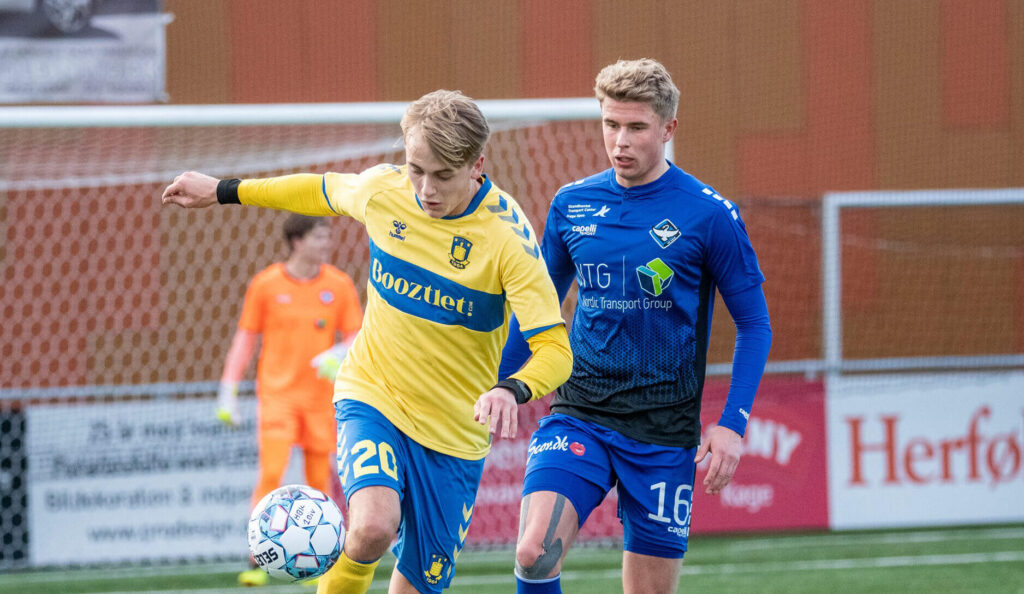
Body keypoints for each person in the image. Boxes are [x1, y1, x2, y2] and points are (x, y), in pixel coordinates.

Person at [162, 89, 573, 594]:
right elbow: (318, 190)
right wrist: (225, 190)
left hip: (454, 434)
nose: (426, 190)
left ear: (477, 166)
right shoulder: (385, 190)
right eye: (416, 169)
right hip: (373, 393)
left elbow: (556, 350)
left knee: (419, 584)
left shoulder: (507, 239)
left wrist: (512, 388)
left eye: (443, 175)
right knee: (373, 526)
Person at [499, 58, 773, 593]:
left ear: (668, 129)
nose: (620, 141)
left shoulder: (709, 214)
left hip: (663, 432)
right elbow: (537, 308)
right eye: (610, 124)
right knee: (534, 553)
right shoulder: (572, 204)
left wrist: (732, 424)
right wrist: (504, 385)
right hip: (581, 412)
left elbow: (755, 325)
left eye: (636, 127)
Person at [215, 214, 363, 587]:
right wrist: (228, 390)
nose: (326, 243)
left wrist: (338, 353)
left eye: (327, 236)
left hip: (320, 399)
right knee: (271, 473)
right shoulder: (266, 284)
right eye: (318, 236)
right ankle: (256, 559)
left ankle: (323, 561)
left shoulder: (339, 284)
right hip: (277, 397)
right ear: (297, 241)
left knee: (319, 479)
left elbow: (358, 336)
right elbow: (245, 339)